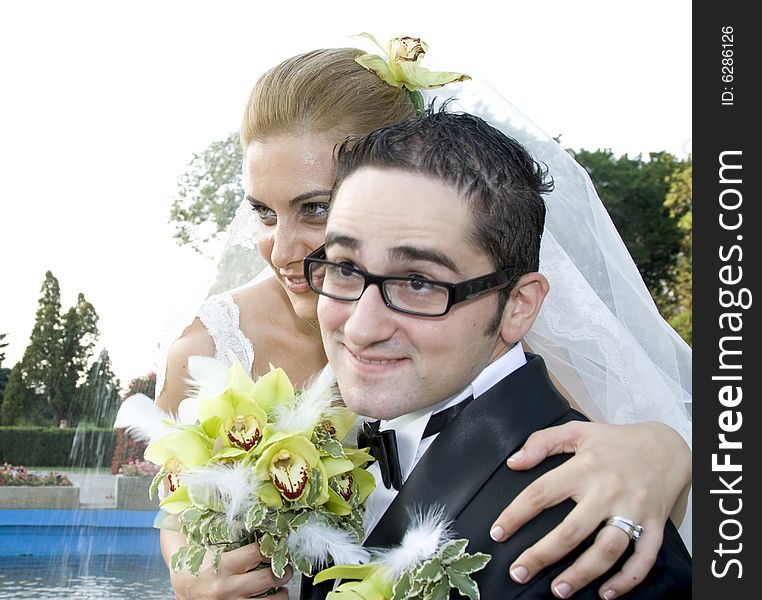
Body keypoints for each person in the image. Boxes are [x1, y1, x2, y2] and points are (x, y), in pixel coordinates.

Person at [154, 43, 692, 599]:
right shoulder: (208, 349)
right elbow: (180, 519)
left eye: (316, 208)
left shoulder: (486, 325)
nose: (283, 250)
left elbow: (579, 452)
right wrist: (191, 575)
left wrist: (663, 450)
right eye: (263, 212)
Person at [305, 107, 691, 598]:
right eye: (343, 267)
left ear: (518, 307)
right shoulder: (318, 454)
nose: (360, 328)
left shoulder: (594, 539)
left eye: (419, 282)